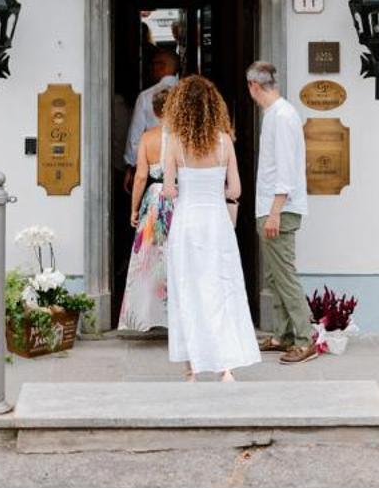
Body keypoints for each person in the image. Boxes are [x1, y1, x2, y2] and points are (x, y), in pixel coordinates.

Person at [158, 75, 261, 381]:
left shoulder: (175, 141)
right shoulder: (224, 141)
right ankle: (225, 366)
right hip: (216, 223)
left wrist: (180, 187)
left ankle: (191, 366)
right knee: (220, 289)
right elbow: (235, 190)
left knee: (187, 291)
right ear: (215, 107)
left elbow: (169, 190)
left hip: (187, 224)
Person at [248, 60, 315, 363]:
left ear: (254, 86)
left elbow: (286, 169)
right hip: (271, 207)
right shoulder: (275, 115)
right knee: (275, 277)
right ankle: (284, 335)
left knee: (284, 276)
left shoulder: (283, 116)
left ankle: (305, 339)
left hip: (279, 209)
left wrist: (275, 212)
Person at [116, 121, 171, 332]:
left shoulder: (148, 137)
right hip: (179, 196)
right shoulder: (184, 134)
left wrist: (134, 209)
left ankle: (146, 315)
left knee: (149, 258)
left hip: (156, 198)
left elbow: (140, 177)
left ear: (156, 112)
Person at [120, 46, 181, 193]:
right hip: (185, 171)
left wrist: (131, 166)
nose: (151, 68)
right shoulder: (189, 95)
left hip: (155, 173)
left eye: (154, 64)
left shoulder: (146, 96)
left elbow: (135, 140)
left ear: (161, 66)